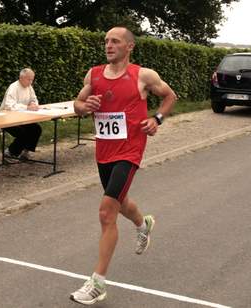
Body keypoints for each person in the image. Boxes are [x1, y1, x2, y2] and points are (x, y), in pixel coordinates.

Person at [70, 26, 177, 305]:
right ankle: (144, 224)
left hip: (130, 151)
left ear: (129, 46)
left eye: (115, 41)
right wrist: (85, 105)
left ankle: (97, 283)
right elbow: (77, 104)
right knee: (120, 201)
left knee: (107, 212)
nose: (108, 45)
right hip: (104, 150)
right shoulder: (93, 75)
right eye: (106, 40)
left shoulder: (143, 75)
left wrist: (156, 120)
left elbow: (170, 96)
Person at [0, 68, 42, 161]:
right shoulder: (13, 87)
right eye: (29, 79)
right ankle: (10, 153)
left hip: (22, 118)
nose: (31, 82)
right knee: (23, 133)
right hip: (7, 119)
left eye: (32, 79)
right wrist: (27, 107)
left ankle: (25, 152)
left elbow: (34, 99)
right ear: (21, 78)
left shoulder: (29, 87)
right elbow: (9, 105)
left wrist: (33, 104)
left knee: (36, 129)